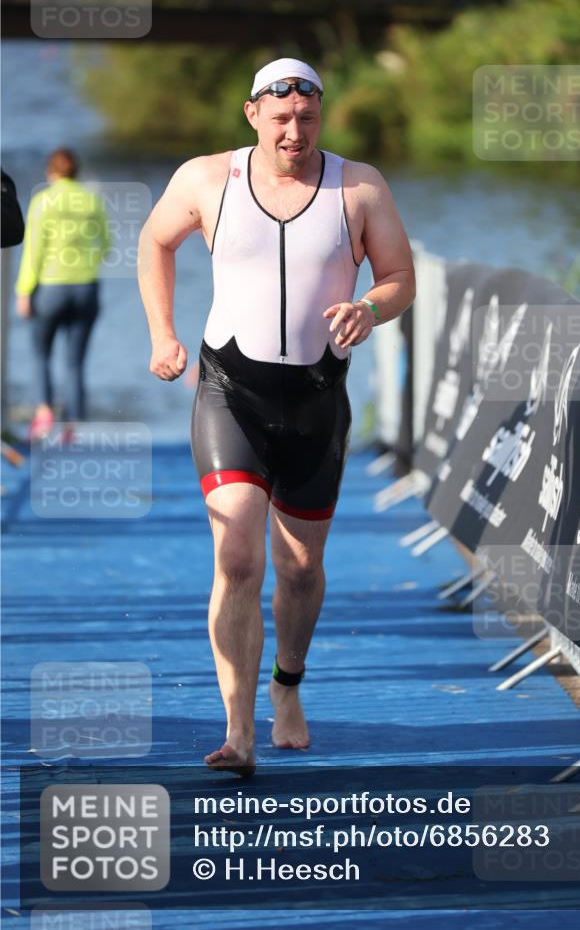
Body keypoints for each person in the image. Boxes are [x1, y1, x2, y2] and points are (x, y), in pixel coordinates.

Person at [138, 58, 415, 775]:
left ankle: (286, 684)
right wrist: (163, 334)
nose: (296, 131)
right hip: (231, 391)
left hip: (317, 401)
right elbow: (154, 241)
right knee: (237, 557)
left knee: (299, 568)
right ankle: (238, 731)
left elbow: (399, 277)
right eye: (283, 118)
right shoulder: (207, 179)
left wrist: (369, 307)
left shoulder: (359, 186)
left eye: (308, 118)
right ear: (252, 113)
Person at [15, 149, 110, 441]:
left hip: (51, 288)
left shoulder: (43, 201)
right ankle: (73, 427)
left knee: (41, 353)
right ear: (76, 172)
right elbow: (106, 246)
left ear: (50, 172)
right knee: (75, 361)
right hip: (86, 288)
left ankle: (44, 414)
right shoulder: (92, 200)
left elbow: (34, 251)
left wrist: (23, 291)